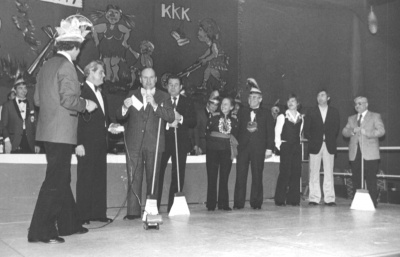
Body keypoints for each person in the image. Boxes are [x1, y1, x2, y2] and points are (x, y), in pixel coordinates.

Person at [28, 15, 97, 244]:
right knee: (55, 181)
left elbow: (38, 100)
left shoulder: (47, 64)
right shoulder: (67, 66)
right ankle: (39, 230)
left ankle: (69, 223)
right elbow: (69, 100)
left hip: (48, 132)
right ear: (75, 48)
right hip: (61, 132)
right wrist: (86, 104)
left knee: (61, 178)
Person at [116, 67, 174, 220]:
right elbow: (119, 115)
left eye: (151, 78)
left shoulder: (164, 96)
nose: (148, 81)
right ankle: (133, 213)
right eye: (145, 78)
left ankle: (151, 211)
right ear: (140, 79)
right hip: (133, 143)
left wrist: (155, 105)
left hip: (154, 144)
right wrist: (124, 107)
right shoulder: (131, 94)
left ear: (156, 79)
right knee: (133, 178)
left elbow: (170, 116)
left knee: (152, 179)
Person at [75, 60, 113, 224]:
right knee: (85, 179)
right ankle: (83, 215)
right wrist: (78, 143)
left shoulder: (101, 93)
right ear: (90, 72)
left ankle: (98, 213)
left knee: (99, 178)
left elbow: (103, 119)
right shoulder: (80, 92)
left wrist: (111, 126)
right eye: (101, 72)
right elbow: (75, 119)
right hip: (86, 143)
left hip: (100, 143)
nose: (104, 75)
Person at [157, 75, 197, 212]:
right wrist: (168, 123)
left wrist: (180, 119)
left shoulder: (188, 102)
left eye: (176, 84)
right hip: (162, 142)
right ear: (166, 86)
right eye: (170, 84)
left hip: (180, 143)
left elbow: (193, 122)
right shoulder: (161, 100)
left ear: (181, 87)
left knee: (178, 174)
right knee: (158, 173)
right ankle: (154, 207)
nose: (173, 87)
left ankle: (172, 207)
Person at [233, 78, 274, 210]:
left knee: (257, 175)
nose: (252, 100)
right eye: (250, 97)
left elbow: (270, 132)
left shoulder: (267, 113)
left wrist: (269, 148)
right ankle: (238, 203)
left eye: (255, 98)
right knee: (240, 175)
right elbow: (237, 130)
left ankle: (256, 203)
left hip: (258, 148)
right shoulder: (242, 111)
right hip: (243, 148)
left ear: (260, 99)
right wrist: (235, 146)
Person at [342, 96, 385, 207]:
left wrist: (367, 132)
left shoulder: (375, 116)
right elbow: (344, 132)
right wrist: (352, 131)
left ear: (366, 104)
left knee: (371, 178)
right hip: (355, 153)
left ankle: (372, 203)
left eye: (360, 103)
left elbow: (381, 131)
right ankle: (357, 202)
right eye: (356, 104)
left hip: (370, 153)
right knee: (356, 178)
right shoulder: (351, 118)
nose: (357, 105)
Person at [304, 89, 340, 206]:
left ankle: (329, 198)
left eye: (323, 95)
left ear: (328, 98)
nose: (320, 97)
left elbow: (336, 128)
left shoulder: (334, 111)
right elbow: (306, 130)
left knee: (329, 172)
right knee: (314, 172)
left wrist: (327, 138)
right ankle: (314, 198)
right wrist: (314, 139)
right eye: (318, 95)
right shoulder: (311, 111)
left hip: (329, 144)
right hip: (315, 145)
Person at [206, 97, 238, 211]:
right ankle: (211, 203)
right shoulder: (213, 117)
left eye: (226, 104)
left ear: (231, 107)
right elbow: (207, 131)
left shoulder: (234, 120)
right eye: (222, 104)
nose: (223, 106)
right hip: (212, 149)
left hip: (226, 150)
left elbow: (235, 134)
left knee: (224, 177)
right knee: (212, 176)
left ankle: (223, 203)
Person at [274, 94, 304, 207]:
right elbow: (277, 133)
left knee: (296, 172)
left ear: (298, 104)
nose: (291, 103)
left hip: (296, 147)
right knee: (285, 172)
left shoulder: (301, 118)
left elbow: (299, 133)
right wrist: (279, 147)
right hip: (285, 146)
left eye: (293, 101)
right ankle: (280, 199)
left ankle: (294, 199)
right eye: (289, 101)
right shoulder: (282, 116)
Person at [1, 78, 40, 153]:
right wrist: (7, 141)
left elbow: (36, 125)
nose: (24, 90)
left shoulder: (32, 105)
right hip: (13, 142)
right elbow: (4, 126)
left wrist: (37, 143)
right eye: (20, 88)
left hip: (30, 143)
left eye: (25, 88)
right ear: (15, 90)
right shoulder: (7, 105)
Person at [193, 90, 219, 155]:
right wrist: (196, 145)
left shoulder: (217, 115)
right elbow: (196, 130)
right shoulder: (200, 113)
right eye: (212, 105)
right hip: (202, 145)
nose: (214, 107)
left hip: (214, 146)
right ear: (208, 104)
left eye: (216, 105)